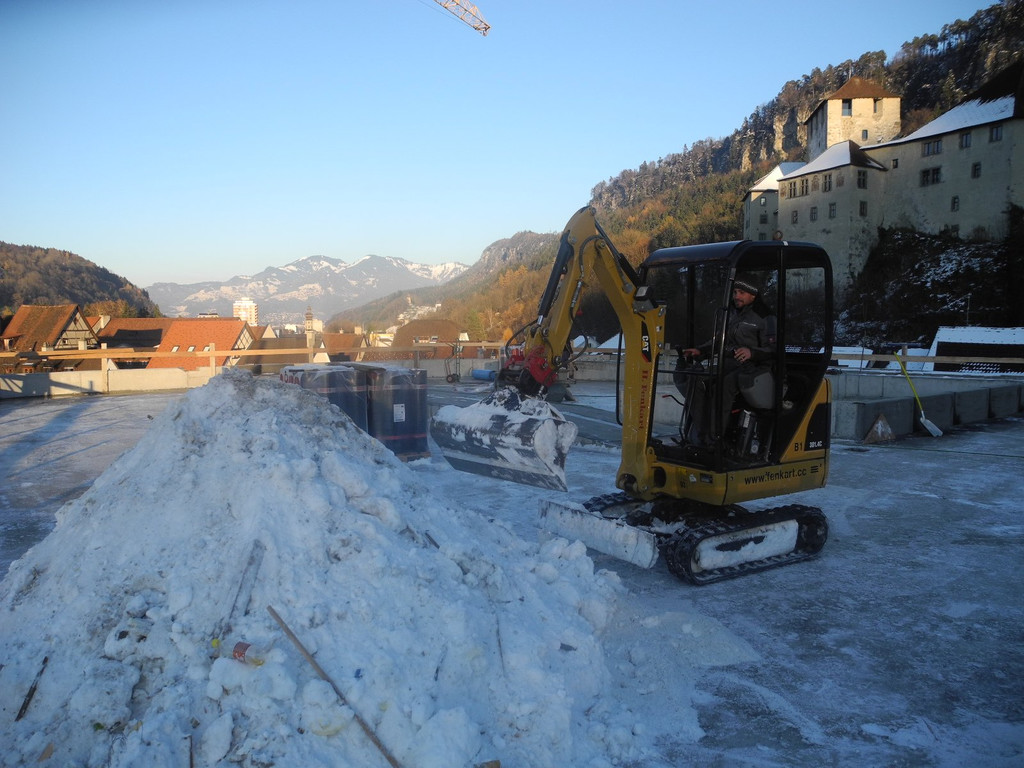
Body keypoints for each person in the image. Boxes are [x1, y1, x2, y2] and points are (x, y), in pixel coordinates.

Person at [678, 275, 777, 445]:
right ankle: (701, 433)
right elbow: (719, 341)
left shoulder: (765, 317)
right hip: (729, 365)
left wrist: (752, 352)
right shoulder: (731, 314)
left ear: (753, 295)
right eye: (735, 292)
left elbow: (774, 349)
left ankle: (714, 440)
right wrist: (700, 351)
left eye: (741, 293)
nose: (736, 296)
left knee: (724, 386)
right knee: (695, 381)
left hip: (754, 368)